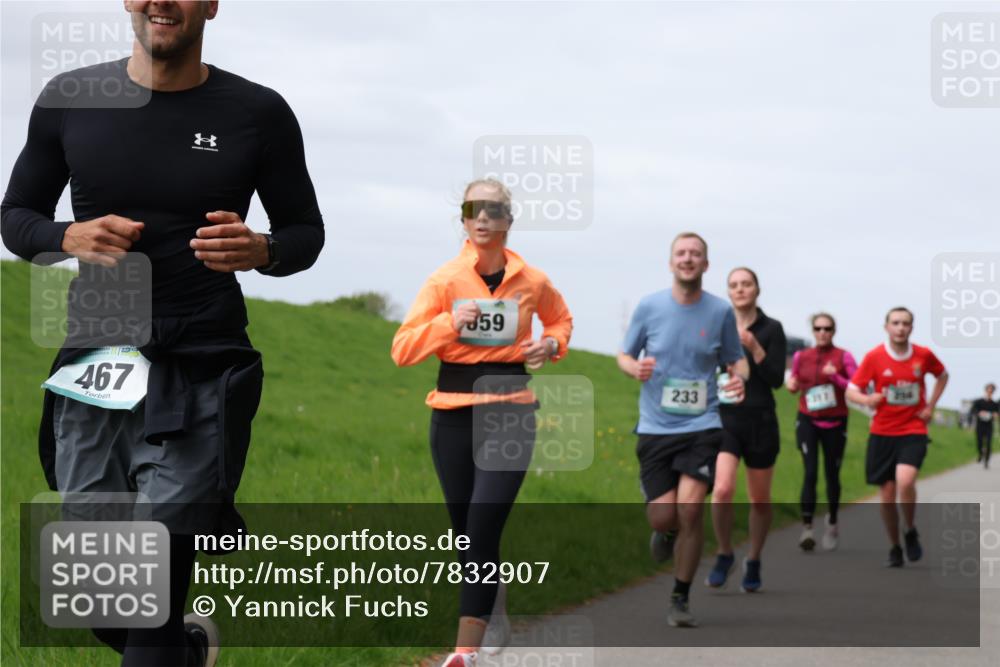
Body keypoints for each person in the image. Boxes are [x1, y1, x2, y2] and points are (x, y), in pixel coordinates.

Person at [0, 2, 324, 665]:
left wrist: (261, 248)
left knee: (153, 582)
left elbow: (305, 233)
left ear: (210, 4)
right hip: (98, 364)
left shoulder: (257, 113)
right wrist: (67, 236)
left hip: (202, 365)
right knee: (101, 594)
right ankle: (188, 647)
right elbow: (16, 215)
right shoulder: (71, 99)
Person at [391, 178, 572, 667]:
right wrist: (451, 321)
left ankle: (463, 652)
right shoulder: (443, 281)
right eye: (475, 208)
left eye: (495, 209)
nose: (485, 216)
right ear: (465, 219)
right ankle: (493, 603)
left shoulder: (532, 281)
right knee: (465, 533)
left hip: (511, 409)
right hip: (451, 412)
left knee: (482, 524)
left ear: (509, 220)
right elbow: (402, 350)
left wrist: (551, 345)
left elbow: (560, 321)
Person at [618, 232, 748, 628]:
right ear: (671, 262)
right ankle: (666, 532)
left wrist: (739, 379)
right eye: (681, 253)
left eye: (696, 254)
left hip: (703, 424)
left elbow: (735, 361)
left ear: (706, 265)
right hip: (656, 427)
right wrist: (634, 367)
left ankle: (680, 596)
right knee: (664, 517)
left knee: (691, 510)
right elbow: (624, 354)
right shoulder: (649, 306)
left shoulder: (720, 311)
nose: (688, 259)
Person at [845, 307, 948, 567]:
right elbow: (851, 391)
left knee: (905, 480)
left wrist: (930, 406)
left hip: (913, 429)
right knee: (887, 495)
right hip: (882, 432)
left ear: (912, 328)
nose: (901, 327)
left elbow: (942, 375)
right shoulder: (874, 357)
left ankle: (910, 528)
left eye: (906, 323)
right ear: (886, 326)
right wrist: (868, 399)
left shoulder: (923, 355)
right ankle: (894, 546)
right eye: (896, 323)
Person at [706, 268, 786, 592]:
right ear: (728, 292)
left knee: (759, 500)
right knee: (722, 489)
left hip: (760, 419)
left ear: (757, 289)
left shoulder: (772, 328)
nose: (740, 290)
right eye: (734, 285)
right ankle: (725, 552)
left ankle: (753, 558)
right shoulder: (717, 324)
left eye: (746, 284)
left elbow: (776, 379)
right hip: (725, 418)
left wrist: (754, 347)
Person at [786, 313, 858, 551]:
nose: (823, 333)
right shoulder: (801, 356)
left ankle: (833, 521)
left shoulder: (843, 356)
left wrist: (835, 376)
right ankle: (807, 528)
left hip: (835, 421)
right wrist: (792, 385)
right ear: (813, 330)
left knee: (831, 474)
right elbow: (794, 382)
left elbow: (856, 385)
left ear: (834, 331)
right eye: (818, 328)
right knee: (810, 472)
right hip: (808, 419)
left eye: (827, 328)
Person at [969, 383, 998, 469]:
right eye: (989, 390)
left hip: (989, 425)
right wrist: (979, 412)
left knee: (988, 444)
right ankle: (980, 454)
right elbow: (973, 410)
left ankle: (986, 461)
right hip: (980, 425)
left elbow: (997, 413)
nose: (990, 392)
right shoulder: (979, 401)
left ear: (993, 392)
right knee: (979, 442)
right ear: (986, 390)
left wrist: (995, 415)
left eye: (991, 390)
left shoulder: (994, 404)